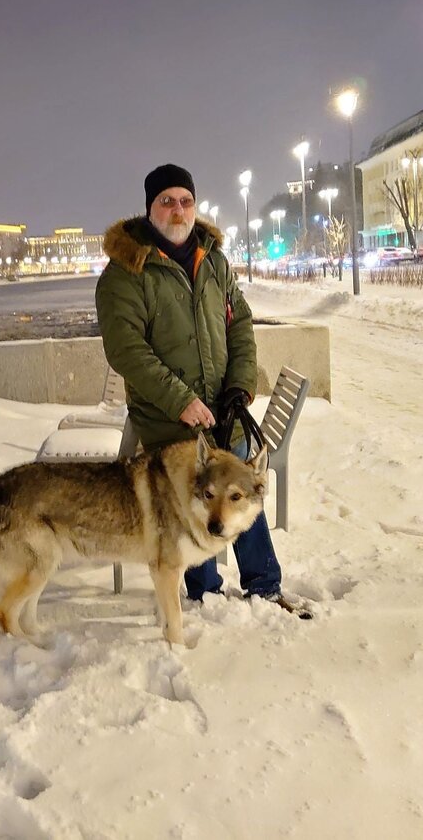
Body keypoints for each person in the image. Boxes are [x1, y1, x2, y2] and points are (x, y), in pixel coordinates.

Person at [94, 163, 312, 619]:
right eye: (167, 201)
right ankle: (204, 590)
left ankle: (264, 587)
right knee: (192, 497)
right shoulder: (125, 272)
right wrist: (181, 401)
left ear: (196, 206)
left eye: (185, 200)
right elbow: (126, 350)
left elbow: (241, 326)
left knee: (237, 484)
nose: (178, 210)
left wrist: (239, 385)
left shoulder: (213, 260)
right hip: (168, 420)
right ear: (150, 208)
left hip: (220, 410)